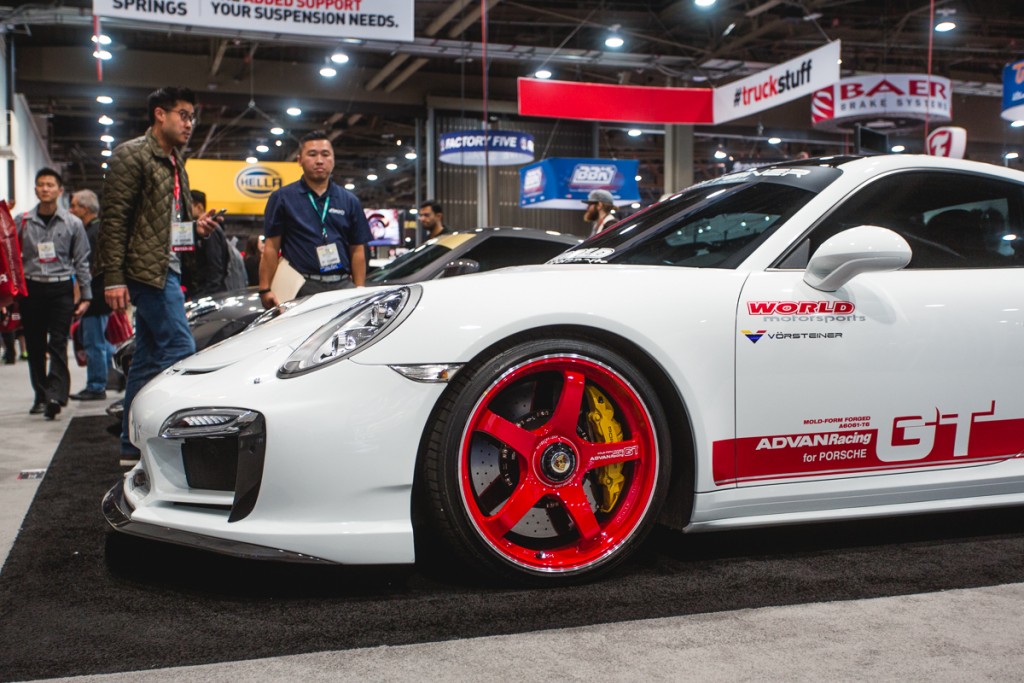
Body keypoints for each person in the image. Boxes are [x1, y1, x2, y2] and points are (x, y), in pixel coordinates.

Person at [99, 86, 219, 466]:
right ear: (159, 114)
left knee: (147, 359)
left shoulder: (175, 161)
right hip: (146, 270)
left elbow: (169, 224)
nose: (189, 123)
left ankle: (129, 445)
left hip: (167, 265)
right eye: (183, 115)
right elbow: (114, 221)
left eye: (192, 117)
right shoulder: (131, 154)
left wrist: (195, 229)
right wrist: (113, 278)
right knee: (181, 349)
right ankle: (178, 445)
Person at [258, 130, 372, 309]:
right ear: (299, 160)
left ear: (333, 159)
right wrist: (265, 288)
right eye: (312, 154)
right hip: (299, 285)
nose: (319, 160)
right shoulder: (282, 198)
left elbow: (357, 248)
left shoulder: (349, 201)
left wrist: (359, 288)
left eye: (325, 154)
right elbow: (272, 247)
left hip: (342, 285)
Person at [16, 168, 92, 419]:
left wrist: (86, 295)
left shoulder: (73, 223)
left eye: (50, 185)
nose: (45, 188)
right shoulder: (22, 221)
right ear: (35, 189)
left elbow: (82, 261)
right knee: (35, 344)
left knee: (58, 342)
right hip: (32, 288)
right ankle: (40, 395)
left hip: (61, 289)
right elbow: (11, 259)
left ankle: (55, 396)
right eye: (41, 184)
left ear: (59, 191)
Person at [68, 189, 113, 401]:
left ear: (85, 209)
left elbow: (87, 269)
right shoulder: (97, 230)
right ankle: (110, 378)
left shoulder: (91, 234)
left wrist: (79, 297)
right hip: (99, 295)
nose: (70, 210)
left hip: (94, 297)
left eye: (74, 206)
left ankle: (96, 386)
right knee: (100, 342)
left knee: (94, 343)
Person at [184, 189, 229, 298]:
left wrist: (204, 296)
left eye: (189, 206)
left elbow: (215, 268)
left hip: (208, 295)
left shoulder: (209, 231)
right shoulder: (196, 231)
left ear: (199, 207)